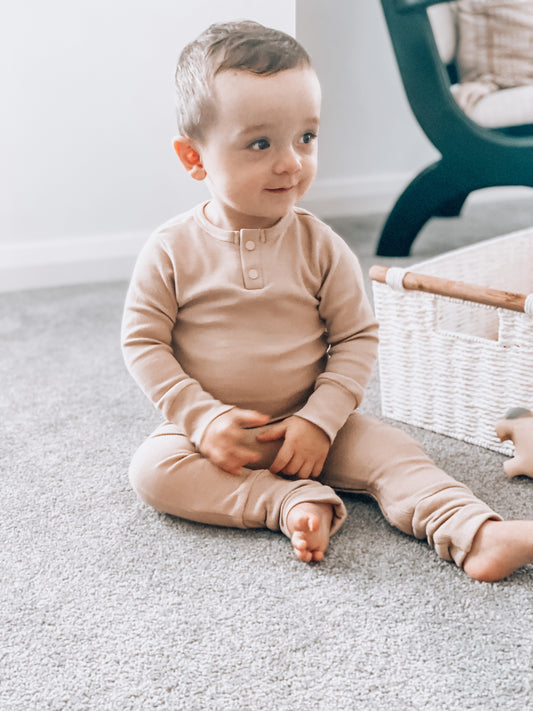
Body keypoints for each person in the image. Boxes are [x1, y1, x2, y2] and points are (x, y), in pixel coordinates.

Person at [121, 20, 533, 581]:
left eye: (306, 137)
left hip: (318, 426)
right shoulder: (170, 250)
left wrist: (320, 419)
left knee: (398, 454)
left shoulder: (321, 245)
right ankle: (285, 504)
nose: (290, 161)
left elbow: (357, 338)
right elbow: (143, 343)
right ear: (193, 158)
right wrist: (201, 418)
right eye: (260, 143)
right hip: (218, 438)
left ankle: (477, 532)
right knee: (153, 471)